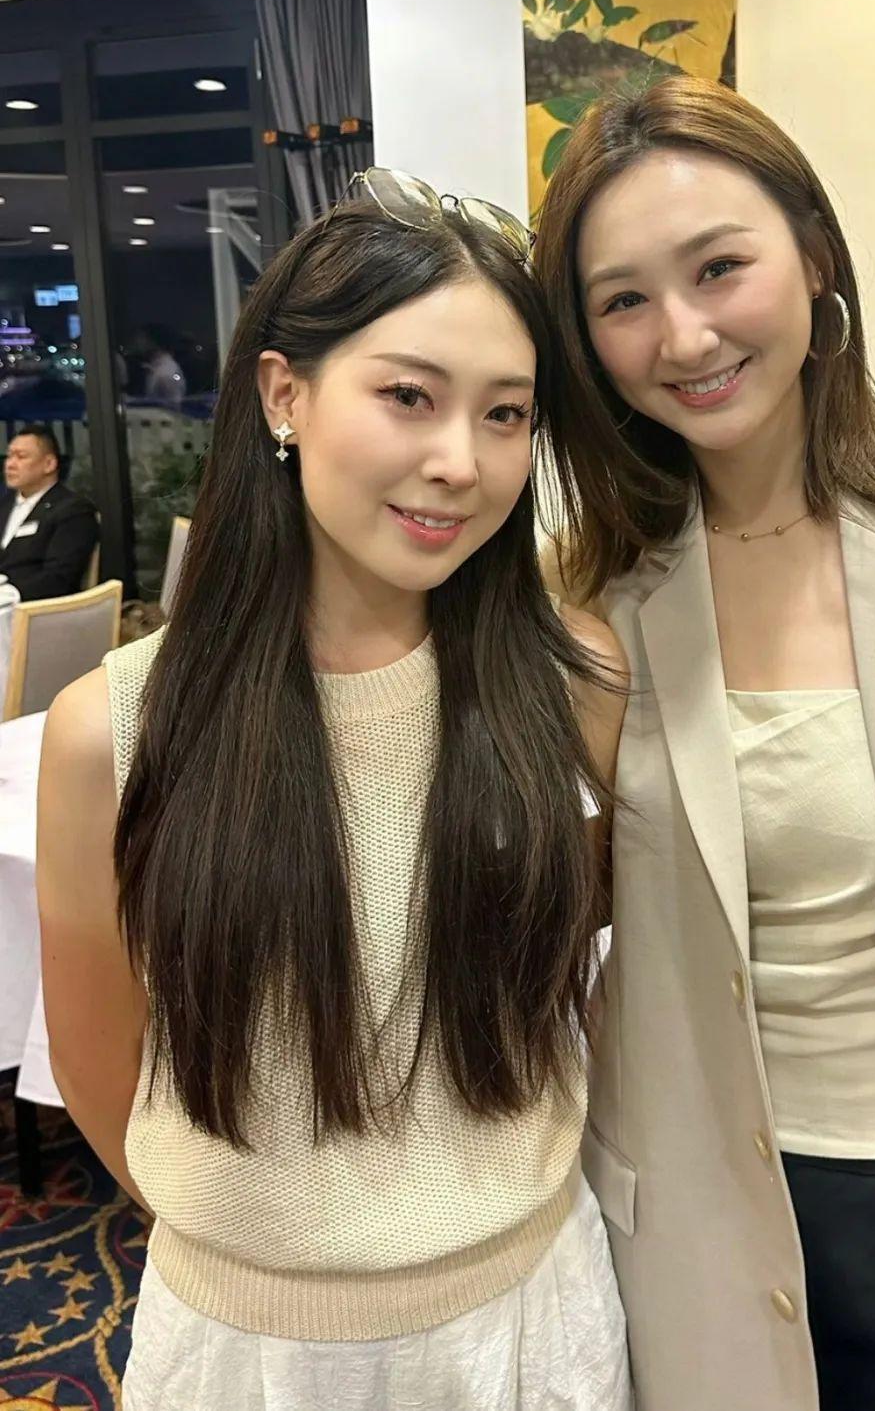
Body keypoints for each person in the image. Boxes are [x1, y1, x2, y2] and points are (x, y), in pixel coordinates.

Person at [37, 174, 630, 1411]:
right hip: (243, 1346)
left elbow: (576, 982)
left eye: (506, 415)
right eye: (409, 395)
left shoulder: (572, 680)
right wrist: (273, 1259)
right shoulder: (119, 728)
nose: (460, 462)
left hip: (530, 1318)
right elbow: (99, 1060)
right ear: (283, 394)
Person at [534, 72, 875, 1411]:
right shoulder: (588, 595)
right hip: (691, 1222)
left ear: (815, 257)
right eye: (622, 300)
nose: (684, 334)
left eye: (720, 267)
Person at [0, 423, 98, 600]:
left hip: (34, 607)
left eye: (21, 457)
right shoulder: (4, 506)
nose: (10, 464)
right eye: (9, 456)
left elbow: (59, 577)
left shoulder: (73, 510)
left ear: (49, 464)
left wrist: (8, 595)